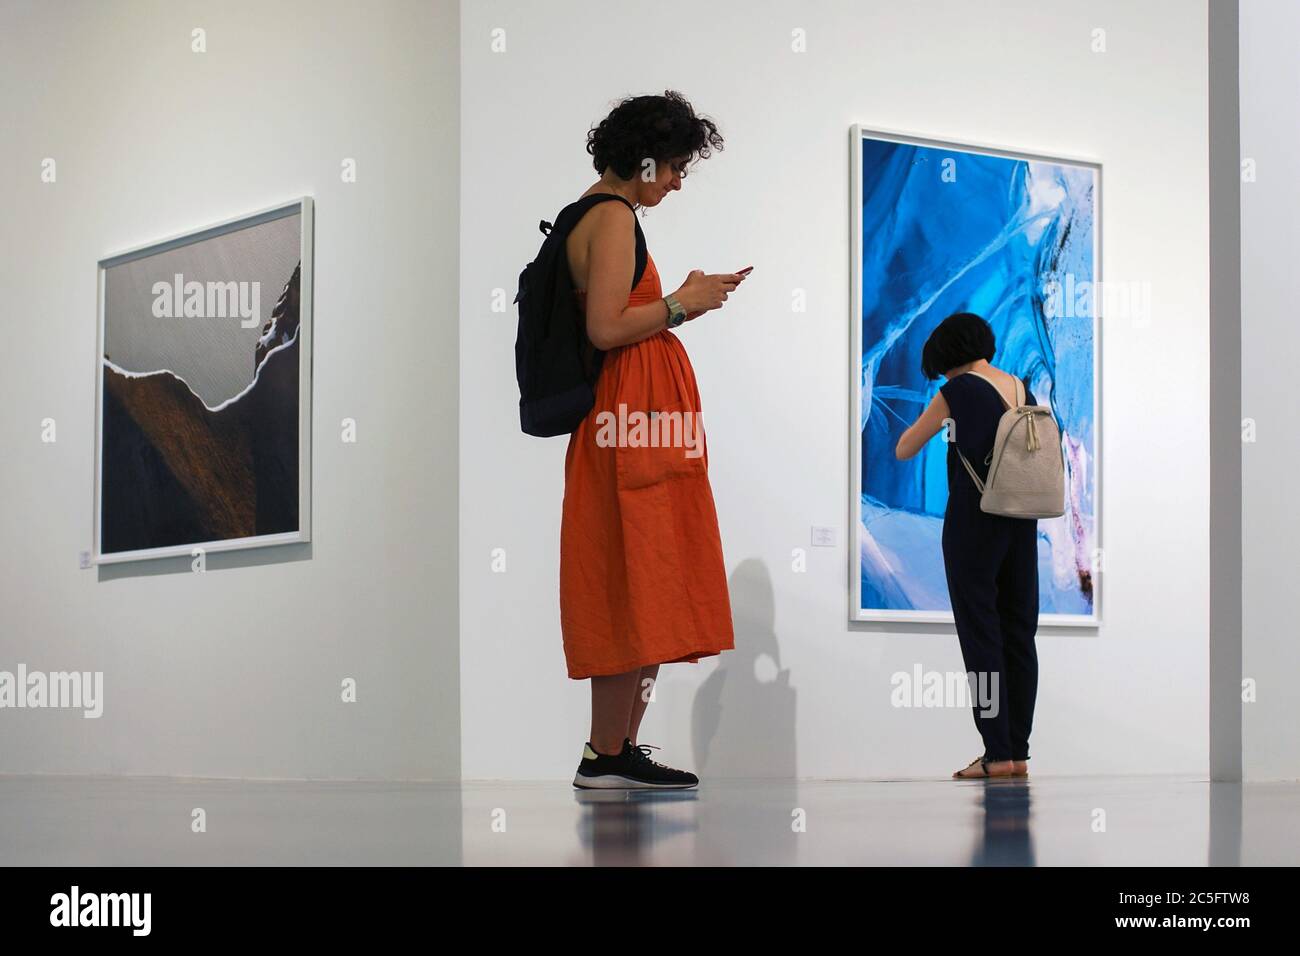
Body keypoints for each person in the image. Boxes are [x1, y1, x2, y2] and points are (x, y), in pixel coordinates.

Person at [561, 91, 743, 789]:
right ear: (640, 159)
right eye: (672, 166)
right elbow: (606, 328)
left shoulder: (608, 216)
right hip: (630, 423)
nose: (676, 180)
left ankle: (617, 750)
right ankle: (606, 752)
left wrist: (681, 301)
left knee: (647, 576)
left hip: (638, 419)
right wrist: (680, 305)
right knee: (631, 572)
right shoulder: (609, 218)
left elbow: (618, 317)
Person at [895, 312, 1040, 779]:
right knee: (1019, 636)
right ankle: (1017, 751)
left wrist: (943, 417)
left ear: (946, 357)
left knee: (982, 637)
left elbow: (904, 448)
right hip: (1021, 520)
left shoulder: (956, 390)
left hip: (973, 526)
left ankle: (995, 753)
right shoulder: (1022, 389)